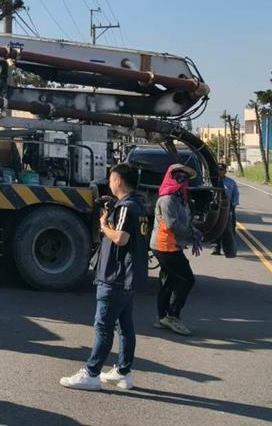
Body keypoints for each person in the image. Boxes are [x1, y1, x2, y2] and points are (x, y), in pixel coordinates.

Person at [60, 164, 147, 391]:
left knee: (103, 325)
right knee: (124, 325)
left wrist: (103, 225)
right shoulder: (137, 205)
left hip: (115, 276)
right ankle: (123, 371)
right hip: (127, 276)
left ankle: (91, 373)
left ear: (118, 181)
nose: (109, 182)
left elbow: (120, 238)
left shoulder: (127, 207)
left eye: (111, 178)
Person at [151, 163, 199, 336]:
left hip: (170, 244)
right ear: (171, 177)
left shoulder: (180, 197)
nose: (182, 178)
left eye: (184, 176)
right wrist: (191, 232)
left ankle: (162, 317)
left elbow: (183, 220)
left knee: (170, 281)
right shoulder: (168, 198)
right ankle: (172, 315)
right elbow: (172, 224)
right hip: (166, 245)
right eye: (178, 175)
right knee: (187, 279)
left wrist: (192, 229)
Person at [211, 163, 239, 257]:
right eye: (218, 170)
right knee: (215, 227)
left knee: (229, 228)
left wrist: (233, 206)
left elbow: (235, 195)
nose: (220, 171)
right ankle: (216, 247)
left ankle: (230, 249)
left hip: (227, 207)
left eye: (221, 170)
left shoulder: (231, 182)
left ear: (225, 171)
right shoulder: (211, 181)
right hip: (215, 207)